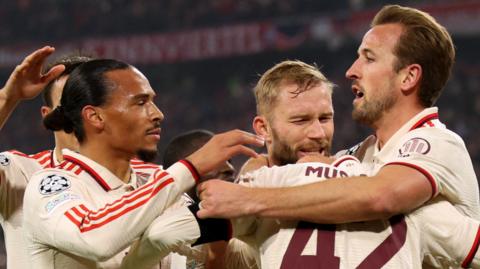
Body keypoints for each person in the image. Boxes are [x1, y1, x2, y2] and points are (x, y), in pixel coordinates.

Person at [197, 4, 479, 226]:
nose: (351, 70)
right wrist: (255, 168)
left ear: (408, 77)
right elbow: (294, 166)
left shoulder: (439, 144)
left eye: (369, 58)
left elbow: (379, 197)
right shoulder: (364, 154)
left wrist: (249, 198)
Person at [217, 60, 480, 268]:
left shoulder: (249, 197)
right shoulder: (373, 176)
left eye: (325, 118)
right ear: (263, 128)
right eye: (301, 121)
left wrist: (253, 178)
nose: (318, 133)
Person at [22, 59, 264, 268]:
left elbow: (207, 257)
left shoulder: (158, 182)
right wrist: (190, 166)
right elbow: (95, 238)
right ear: (95, 117)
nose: (158, 113)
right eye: (140, 102)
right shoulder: (52, 185)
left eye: (153, 101)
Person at [0, 46, 90, 268]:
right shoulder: (19, 171)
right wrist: (7, 98)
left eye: (90, 106)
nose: (81, 119)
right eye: (68, 107)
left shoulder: (146, 180)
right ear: (47, 115)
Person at [160, 129, 235, 269]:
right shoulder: (159, 227)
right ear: (183, 172)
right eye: (216, 161)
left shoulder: (244, 219)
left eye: (229, 161)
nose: (230, 168)